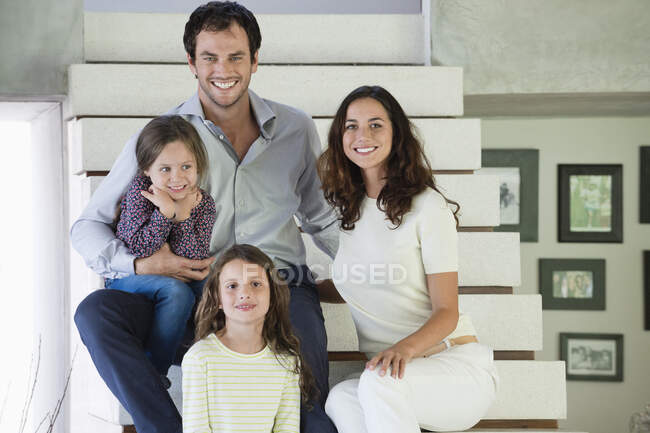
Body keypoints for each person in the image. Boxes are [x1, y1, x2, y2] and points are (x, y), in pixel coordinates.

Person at [71, 2, 338, 432]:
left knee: (309, 407)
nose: (223, 69)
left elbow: (322, 218)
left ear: (255, 60)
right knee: (96, 312)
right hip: (194, 293)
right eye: (209, 57)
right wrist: (139, 264)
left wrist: (372, 276)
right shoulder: (162, 135)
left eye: (235, 56)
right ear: (192, 63)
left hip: (282, 287)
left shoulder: (296, 128)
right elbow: (87, 227)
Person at [317, 85, 499, 432]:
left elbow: (447, 312)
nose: (362, 135)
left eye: (375, 124)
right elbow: (362, 283)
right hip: (395, 378)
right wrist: (295, 286)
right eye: (351, 126)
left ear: (396, 134)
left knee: (378, 383)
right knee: (341, 397)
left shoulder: (427, 207)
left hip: (453, 366)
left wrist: (403, 350)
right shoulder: (349, 211)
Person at [106, 115, 215, 388]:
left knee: (215, 286)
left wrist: (184, 215)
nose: (177, 178)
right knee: (176, 293)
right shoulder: (140, 195)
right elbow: (140, 249)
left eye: (186, 167)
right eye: (165, 169)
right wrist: (166, 214)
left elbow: (195, 254)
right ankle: (154, 371)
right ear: (146, 169)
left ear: (198, 166)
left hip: (175, 274)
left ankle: (220, 365)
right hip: (126, 281)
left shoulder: (202, 202)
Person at [182, 244, 315, 432]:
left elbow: (287, 427)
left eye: (255, 284)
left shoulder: (287, 361)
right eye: (232, 286)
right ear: (218, 298)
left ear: (272, 294)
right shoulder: (200, 359)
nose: (244, 293)